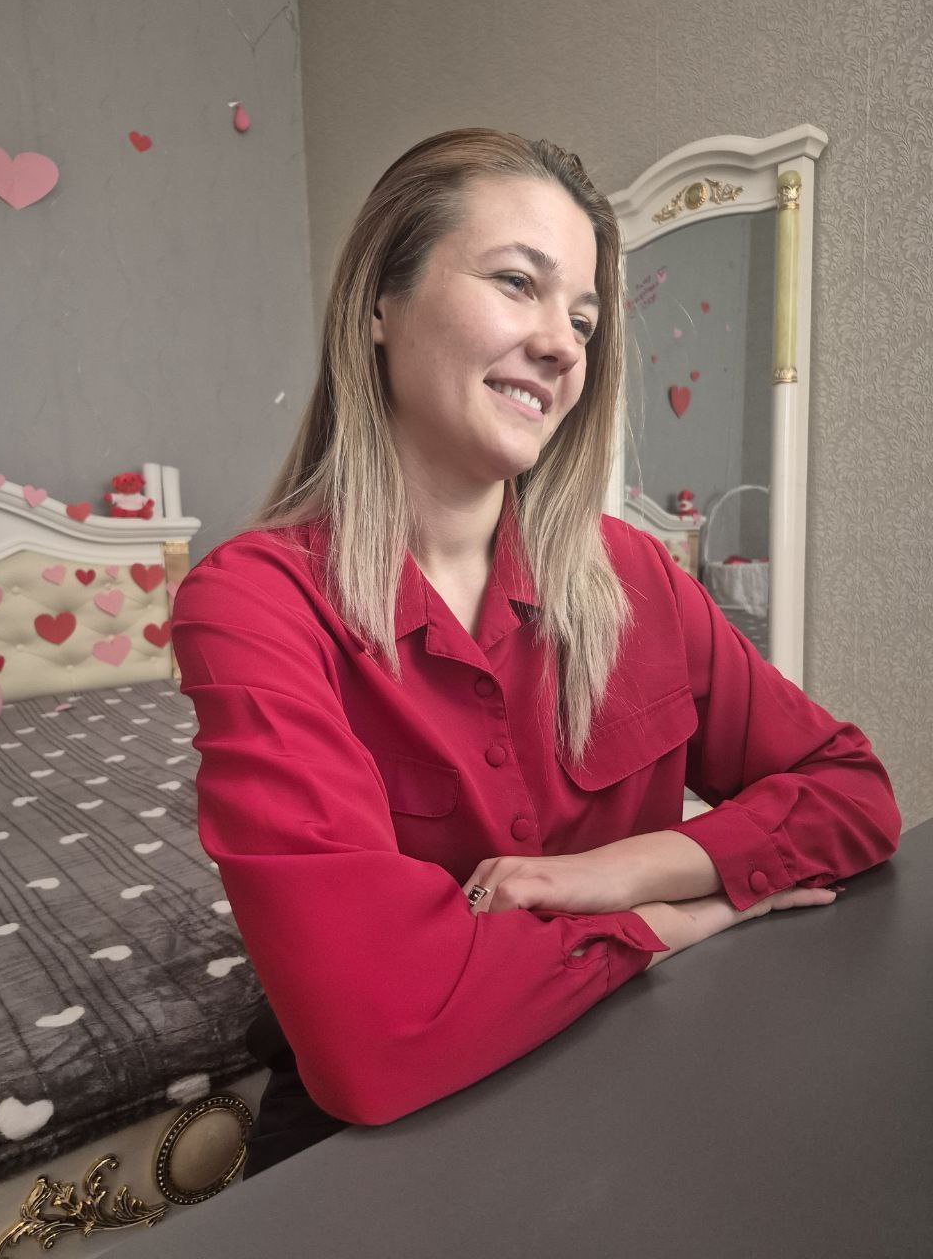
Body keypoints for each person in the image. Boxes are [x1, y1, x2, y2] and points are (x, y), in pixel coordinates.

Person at [170, 127, 901, 1179]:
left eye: (586, 318)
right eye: (519, 283)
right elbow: (377, 1039)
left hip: (649, 1064)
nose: (563, 344)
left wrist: (604, 873)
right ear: (379, 304)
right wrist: (681, 917)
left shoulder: (637, 577)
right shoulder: (254, 603)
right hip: (398, 1143)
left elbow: (853, 791)